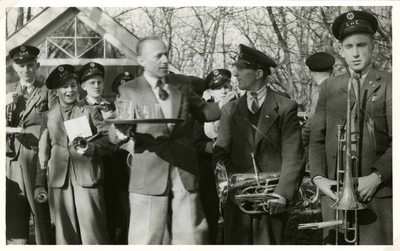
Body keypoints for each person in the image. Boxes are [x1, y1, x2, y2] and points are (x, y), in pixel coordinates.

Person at [108, 35, 235, 245]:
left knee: (192, 237)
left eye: (166, 54)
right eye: (158, 56)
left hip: (184, 170)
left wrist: (224, 106)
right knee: (146, 238)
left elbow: (204, 111)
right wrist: (120, 134)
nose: (164, 60)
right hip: (148, 173)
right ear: (142, 61)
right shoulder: (129, 89)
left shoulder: (182, 84)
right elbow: (118, 127)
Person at [309, 11, 392, 245]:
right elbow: (316, 138)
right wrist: (318, 178)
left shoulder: (389, 83)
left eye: (361, 45)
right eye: (349, 46)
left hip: (378, 194)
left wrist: (377, 176)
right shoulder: (329, 87)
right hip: (334, 194)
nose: (355, 53)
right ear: (340, 50)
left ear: (373, 45)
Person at [212, 44, 305, 244]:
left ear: (258, 73)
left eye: (241, 69)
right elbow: (220, 154)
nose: (235, 73)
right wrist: (233, 185)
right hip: (238, 200)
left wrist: (282, 193)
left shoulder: (285, 107)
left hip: (272, 201)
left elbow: (294, 154)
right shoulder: (230, 109)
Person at [34, 64, 112, 244]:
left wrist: (95, 148)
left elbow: (110, 139)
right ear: (55, 91)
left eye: (73, 85)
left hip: (87, 179)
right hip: (59, 184)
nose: (70, 90)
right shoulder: (48, 116)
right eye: (64, 86)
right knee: (65, 237)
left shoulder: (91, 111)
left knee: (94, 235)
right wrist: (39, 183)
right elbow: (43, 152)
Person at [5, 45, 56, 244]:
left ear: (37, 65)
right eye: (21, 66)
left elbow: (53, 123)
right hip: (12, 159)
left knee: (40, 212)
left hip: (37, 158)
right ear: (14, 68)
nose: (26, 70)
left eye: (29, 65)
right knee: (14, 213)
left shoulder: (47, 92)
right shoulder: (7, 91)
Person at [77, 64, 131, 244]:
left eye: (100, 82)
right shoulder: (78, 108)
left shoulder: (113, 107)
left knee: (118, 218)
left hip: (113, 168)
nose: (97, 86)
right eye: (91, 82)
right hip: (90, 169)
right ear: (83, 86)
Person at [192, 69, 233, 244]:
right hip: (207, 171)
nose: (223, 91)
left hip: (231, 169)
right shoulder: (201, 114)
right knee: (209, 214)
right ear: (209, 92)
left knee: (232, 215)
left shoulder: (237, 109)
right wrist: (213, 147)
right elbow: (194, 143)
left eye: (226, 86)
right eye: (217, 88)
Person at [302, 52, 335, 147]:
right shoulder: (339, 87)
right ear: (331, 70)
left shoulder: (319, 91)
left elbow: (313, 121)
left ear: (310, 72)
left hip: (324, 144)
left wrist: (300, 141)